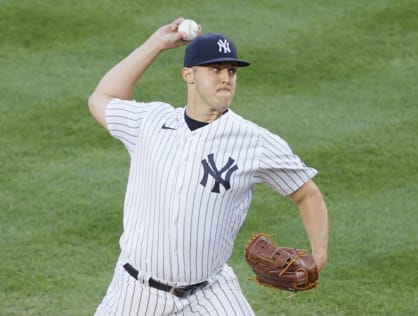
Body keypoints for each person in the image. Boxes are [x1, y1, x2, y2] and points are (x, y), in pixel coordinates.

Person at [88, 17, 329, 316]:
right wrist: (157, 44)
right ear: (188, 75)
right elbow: (102, 97)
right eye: (215, 70)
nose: (226, 78)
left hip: (210, 292)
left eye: (231, 71)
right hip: (136, 291)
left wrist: (318, 257)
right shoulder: (150, 122)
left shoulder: (254, 141)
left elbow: (307, 193)